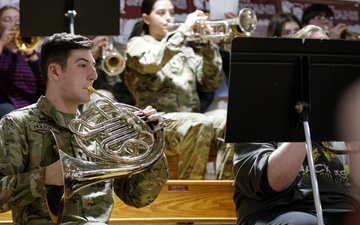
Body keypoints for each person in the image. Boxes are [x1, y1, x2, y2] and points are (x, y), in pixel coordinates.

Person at [0, 32, 168, 224]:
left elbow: (139, 197)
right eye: (82, 66)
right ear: (55, 72)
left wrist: (151, 144)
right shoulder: (18, 123)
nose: (93, 75)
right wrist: (43, 177)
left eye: (93, 66)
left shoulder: (102, 128)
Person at [232, 25, 360, 225]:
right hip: (280, 210)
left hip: (342, 208)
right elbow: (274, 182)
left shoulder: (342, 116)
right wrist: (307, 117)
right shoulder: (260, 114)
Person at [125, 0, 234, 180]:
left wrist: (206, 46)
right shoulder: (138, 44)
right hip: (154, 122)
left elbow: (210, 83)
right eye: (161, 13)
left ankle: (223, 192)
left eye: (171, 12)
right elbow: (152, 62)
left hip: (191, 120)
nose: (168, 18)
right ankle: (191, 195)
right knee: (198, 123)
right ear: (146, 18)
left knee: (230, 123)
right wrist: (183, 30)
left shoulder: (184, 51)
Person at [0, 5, 46, 118]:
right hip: (5, 106)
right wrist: (2, 42)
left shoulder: (35, 55)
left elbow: (48, 82)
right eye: (7, 20)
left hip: (34, 105)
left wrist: (30, 54)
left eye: (18, 20)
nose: (14, 24)